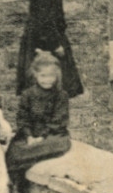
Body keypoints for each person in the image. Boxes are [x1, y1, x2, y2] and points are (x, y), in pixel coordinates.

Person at [16, 0, 83, 98]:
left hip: (42, 38)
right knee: (50, 84)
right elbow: (44, 16)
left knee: (50, 88)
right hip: (45, 40)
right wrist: (55, 44)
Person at [7, 52, 71, 184]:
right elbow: (23, 118)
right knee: (14, 152)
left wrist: (42, 137)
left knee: (58, 145)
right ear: (35, 75)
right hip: (30, 136)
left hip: (52, 135)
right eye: (43, 76)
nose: (47, 80)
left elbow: (58, 121)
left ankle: (29, 158)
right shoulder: (27, 95)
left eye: (51, 76)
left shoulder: (61, 95)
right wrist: (29, 136)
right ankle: (16, 184)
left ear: (57, 76)